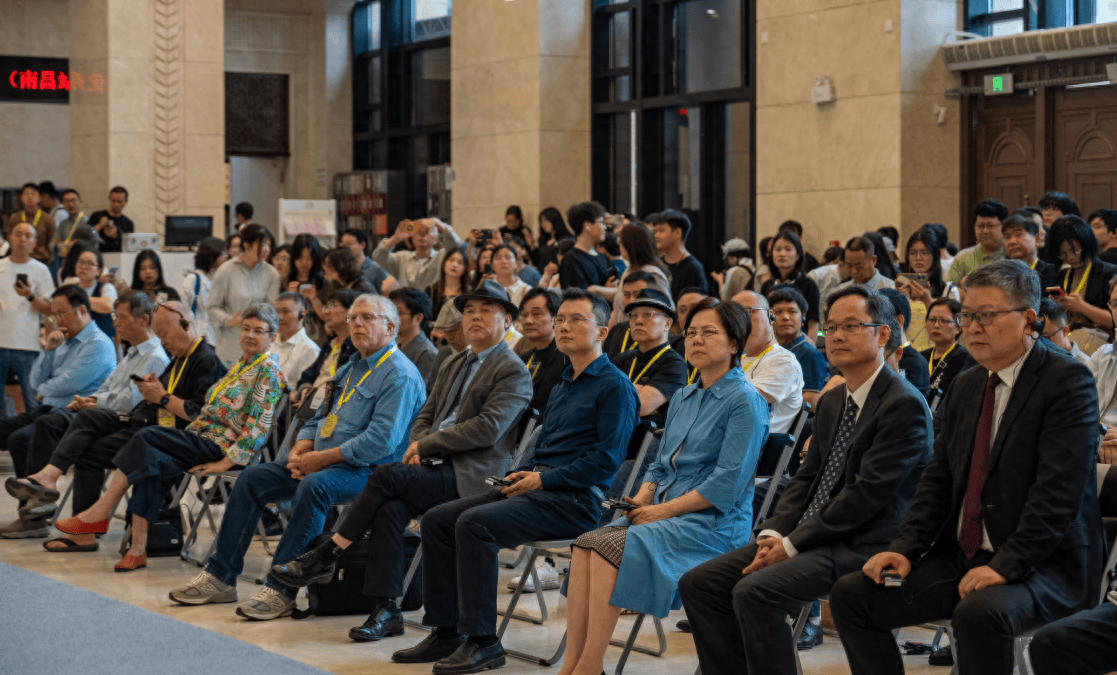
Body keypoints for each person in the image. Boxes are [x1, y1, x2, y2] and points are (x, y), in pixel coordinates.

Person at [830, 259, 1104, 675]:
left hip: (1044, 565)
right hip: (965, 556)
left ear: (1029, 319)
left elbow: (1058, 494)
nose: (972, 327)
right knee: (854, 594)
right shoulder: (968, 382)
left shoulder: (1067, 381)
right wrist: (905, 549)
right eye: (967, 316)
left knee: (979, 613)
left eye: (986, 316)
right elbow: (937, 479)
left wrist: (1005, 566)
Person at [678, 284, 934, 675]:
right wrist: (774, 536)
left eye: (851, 325)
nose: (837, 336)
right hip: (812, 535)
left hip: (867, 541)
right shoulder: (833, 400)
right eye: (830, 328)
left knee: (754, 592)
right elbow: (805, 480)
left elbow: (864, 498)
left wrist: (793, 544)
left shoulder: (904, 405)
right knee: (701, 582)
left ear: (883, 335)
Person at [387, 288, 637, 673]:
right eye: (561, 320)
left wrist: (544, 480)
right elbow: (543, 448)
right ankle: (447, 631)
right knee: (438, 520)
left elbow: (605, 463)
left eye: (576, 320)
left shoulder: (615, 386)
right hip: (538, 490)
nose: (564, 327)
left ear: (602, 332)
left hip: (577, 500)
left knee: (474, 524)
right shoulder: (565, 381)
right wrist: (524, 474)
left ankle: (484, 641)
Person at [268, 282, 532, 638]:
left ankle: (328, 552)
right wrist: (422, 444)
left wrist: (428, 447)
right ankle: (386, 608)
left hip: (474, 474)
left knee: (384, 478)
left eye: (486, 311)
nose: (474, 317)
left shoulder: (513, 369)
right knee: (389, 509)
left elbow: (487, 430)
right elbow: (426, 415)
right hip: (433, 467)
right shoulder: (454, 361)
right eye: (469, 310)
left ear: (507, 321)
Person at [171, 294, 426, 618]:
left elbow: (380, 442)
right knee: (253, 478)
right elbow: (319, 416)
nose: (357, 324)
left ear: (390, 327)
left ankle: (281, 589)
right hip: (322, 460)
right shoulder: (350, 367)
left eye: (367, 318)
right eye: (353, 318)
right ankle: (221, 576)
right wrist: (302, 445)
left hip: (371, 472)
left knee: (315, 486)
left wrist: (322, 459)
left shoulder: (400, 374)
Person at [557, 298, 768, 675]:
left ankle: (590, 666)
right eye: (692, 333)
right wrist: (642, 495)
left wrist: (662, 509)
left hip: (713, 525)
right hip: (662, 514)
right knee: (585, 543)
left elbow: (729, 483)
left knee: (605, 546)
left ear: (734, 344)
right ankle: (573, 661)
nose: (697, 340)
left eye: (709, 332)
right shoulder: (685, 395)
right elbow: (659, 463)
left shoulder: (745, 401)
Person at [54, 304, 287, 571]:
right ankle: (138, 549)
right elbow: (207, 412)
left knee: (148, 437)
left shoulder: (268, 371)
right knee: (152, 461)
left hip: (220, 447)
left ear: (272, 336)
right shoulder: (236, 367)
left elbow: (259, 426)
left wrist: (227, 462)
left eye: (259, 331)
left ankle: (100, 512)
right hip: (200, 437)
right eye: (246, 328)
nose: (250, 335)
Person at [1, 291, 170, 539]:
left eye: (121, 317)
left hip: (127, 423)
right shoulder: (132, 352)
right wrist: (91, 398)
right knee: (28, 436)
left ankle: (45, 489)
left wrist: (91, 402)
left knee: (55, 424)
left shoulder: (150, 356)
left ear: (143, 319)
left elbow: (129, 402)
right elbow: (102, 388)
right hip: (86, 412)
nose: (115, 322)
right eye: (114, 316)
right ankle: (78, 522)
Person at [0, 286, 117, 490]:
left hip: (74, 417)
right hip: (48, 410)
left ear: (82, 310)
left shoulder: (98, 344)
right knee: (4, 429)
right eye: (54, 315)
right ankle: (30, 500)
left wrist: (43, 390)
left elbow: (67, 384)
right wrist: (48, 351)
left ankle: (36, 507)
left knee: (20, 439)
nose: (58, 321)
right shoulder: (62, 341)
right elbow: (34, 382)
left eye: (62, 313)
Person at [611, 288, 688, 430]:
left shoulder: (675, 364)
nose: (638, 321)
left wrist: (615, 392)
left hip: (646, 444)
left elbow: (642, 406)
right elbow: (596, 395)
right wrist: (637, 391)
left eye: (648, 314)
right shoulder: (622, 358)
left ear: (667, 324)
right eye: (633, 315)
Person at [730, 291, 804, 434]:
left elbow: (744, 402)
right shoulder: (738, 359)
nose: (739, 322)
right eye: (732, 317)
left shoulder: (783, 360)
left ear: (770, 316)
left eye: (747, 312)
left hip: (752, 447)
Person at [207, 224, 281, 362]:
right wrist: (229, 320)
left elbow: (272, 310)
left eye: (268, 245)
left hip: (260, 346)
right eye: (262, 245)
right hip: (231, 347)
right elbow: (212, 308)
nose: (266, 250)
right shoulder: (226, 271)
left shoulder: (272, 273)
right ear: (246, 245)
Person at [1050, 215, 1117, 354]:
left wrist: (1082, 307)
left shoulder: (1110, 273)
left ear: (1087, 242)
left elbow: (1114, 321)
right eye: (1063, 254)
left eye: (1075, 250)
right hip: (1067, 339)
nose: (1070, 258)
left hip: (1099, 343)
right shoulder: (1063, 275)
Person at [292, 289, 360, 411]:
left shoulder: (356, 348)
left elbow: (345, 386)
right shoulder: (329, 345)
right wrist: (305, 392)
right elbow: (308, 374)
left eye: (332, 306)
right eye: (326, 307)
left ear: (351, 311)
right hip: (312, 403)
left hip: (332, 409)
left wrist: (317, 404)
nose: (326, 311)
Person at [896, 228, 961, 351]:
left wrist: (928, 300)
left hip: (938, 355)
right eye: (913, 253)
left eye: (924, 253)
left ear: (935, 256)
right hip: (906, 355)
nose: (918, 258)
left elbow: (957, 327)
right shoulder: (897, 289)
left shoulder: (949, 290)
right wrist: (898, 302)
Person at [768, 285, 828, 407]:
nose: (785, 317)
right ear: (770, 318)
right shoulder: (768, 348)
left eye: (792, 311)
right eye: (778, 312)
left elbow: (811, 402)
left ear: (803, 317)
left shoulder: (810, 354)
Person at [759, 230, 821, 338]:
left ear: (797, 256)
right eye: (777, 249)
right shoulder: (767, 285)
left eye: (788, 249)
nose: (782, 254)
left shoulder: (808, 284)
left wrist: (810, 349)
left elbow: (813, 323)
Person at [517, 287, 567, 416]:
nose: (528, 321)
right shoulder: (522, 359)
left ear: (555, 319)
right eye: (524, 315)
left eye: (536, 314)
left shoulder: (567, 358)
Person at [373, 217, 461, 290]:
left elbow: (457, 247)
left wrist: (438, 224)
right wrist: (395, 239)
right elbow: (378, 256)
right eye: (418, 232)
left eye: (427, 232)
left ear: (436, 239)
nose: (422, 236)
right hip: (407, 304)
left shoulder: (441, 256)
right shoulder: (401, 258)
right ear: (412, 237)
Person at [609, 223, 671, 325]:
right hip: (624, 334)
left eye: (621, 242)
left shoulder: (653, 274)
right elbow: (617, 311)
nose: (619, 245)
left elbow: (666, 312)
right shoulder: (628, 270)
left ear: (630, 245)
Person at [879, 287, 933, 400]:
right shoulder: (879, 353)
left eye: (878, 318)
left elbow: (906, 407)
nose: (872, 325)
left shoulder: (914, 363)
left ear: (899, 321)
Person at [59, 243, 117, 339]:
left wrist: (77, 297)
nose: (84, 267)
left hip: (102, 342)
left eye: (90, 263)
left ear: (99, 270)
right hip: (76, 342)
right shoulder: (70, 287)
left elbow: (108, 306)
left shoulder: (106, 287)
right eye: (80, 262)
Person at [649, 209, 708, 300]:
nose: (656, 236)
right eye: (655, 232)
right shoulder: (657, 265)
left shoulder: (693, 268)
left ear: (677, 232)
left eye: (661, 231)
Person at [948, 198, 1008, 284]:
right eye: (980, 226)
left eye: (990, 226)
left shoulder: (1012, 254)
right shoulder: (963, 257)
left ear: (1004, 226)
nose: (985, 231)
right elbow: (948, 291)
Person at [182, 236, 229, 346]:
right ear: (211, 255)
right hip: (199, 341)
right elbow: (183, 311)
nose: (226, 257)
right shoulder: (194, 279)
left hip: (220, 341)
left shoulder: (223, 279)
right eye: (222, 253)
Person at [389, 287, 439, 387]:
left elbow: (419, 396)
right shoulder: (395, 348)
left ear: (417, 318)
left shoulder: (427, 354)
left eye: (398, 313)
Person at [559, 202, 613, 291]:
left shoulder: (604, 258)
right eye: (601, 222)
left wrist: (595, 289)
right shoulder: (571, 260)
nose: (604, 227)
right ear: (588, 225)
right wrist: (600, 290)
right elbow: (578, 296)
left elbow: (619, 291)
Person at [921, 298, 969, 398]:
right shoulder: (920, 357)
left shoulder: (966, 360)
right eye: (932, 320)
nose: (936, 325)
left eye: (944, 321)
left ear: (958, 328)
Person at [268, 292, 320, 381]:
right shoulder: (268, 341)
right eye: (277, 312)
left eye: (285, 311)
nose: (279, 317)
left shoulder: (310, 349)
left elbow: (307, 390)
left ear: (302, 315)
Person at [1002, 213, 1058, 292]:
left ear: (1036, 239)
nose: (1012, 241)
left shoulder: (1050, 272)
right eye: (1007, 237)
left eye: (1018, 235)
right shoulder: (1001, 273)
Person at [7, 183, 57, 270]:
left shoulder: (47, 218)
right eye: (27, 194)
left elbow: (51, 240)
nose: (30, 197)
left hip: (41, 260)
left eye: (33, 194)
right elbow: (10, 238)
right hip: (19, 261)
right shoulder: (14, 218)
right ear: (21, 198)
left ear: (39, 198)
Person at [341, 228, 396, 294]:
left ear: (362, 245)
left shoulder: (375, 268)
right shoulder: (344, 268)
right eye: (343, 245)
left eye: (349, 244)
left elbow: (387, 294)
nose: (345, 248)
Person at [1039, 297, 1090, 364]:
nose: (1041, 344)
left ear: (1065, 331)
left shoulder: (1085, 366)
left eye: (1046, 338)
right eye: (1038, 338)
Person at [86, 186, 133, 252]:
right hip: (97, 255)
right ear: (109, 199)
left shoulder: (128, 223)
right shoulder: (97, 215)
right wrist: (99, 226)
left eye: (119, 202)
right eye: (113, 201)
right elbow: (85, 237)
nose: (116, 204)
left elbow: (130, 246)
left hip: (118, 258)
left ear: (125, 202)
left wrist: (116, 235)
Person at [430, 300, 469, 377]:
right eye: (445, 331)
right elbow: (432, 387)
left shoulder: (478, 355)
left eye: (453, 330)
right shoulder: (442, 353)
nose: (449, 337)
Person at [427, 249, 470, 314]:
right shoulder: (431, 290)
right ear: (444, 263)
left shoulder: (470, 292)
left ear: (465, 269)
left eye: (460, 263)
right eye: (451, 260)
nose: (455, 265)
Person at [488, 244, 531, 309]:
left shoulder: (526, 290)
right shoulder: (486, 289)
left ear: (516, 263)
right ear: (492, 265)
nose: (503, 261)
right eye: (498, 258)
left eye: (508, 257)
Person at [713, 238, 755, 302]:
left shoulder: (733, 271)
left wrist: (720, 280)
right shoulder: (753, 268)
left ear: (734, 257)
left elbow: (725, 298)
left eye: (728, 257)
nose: (728, 261)